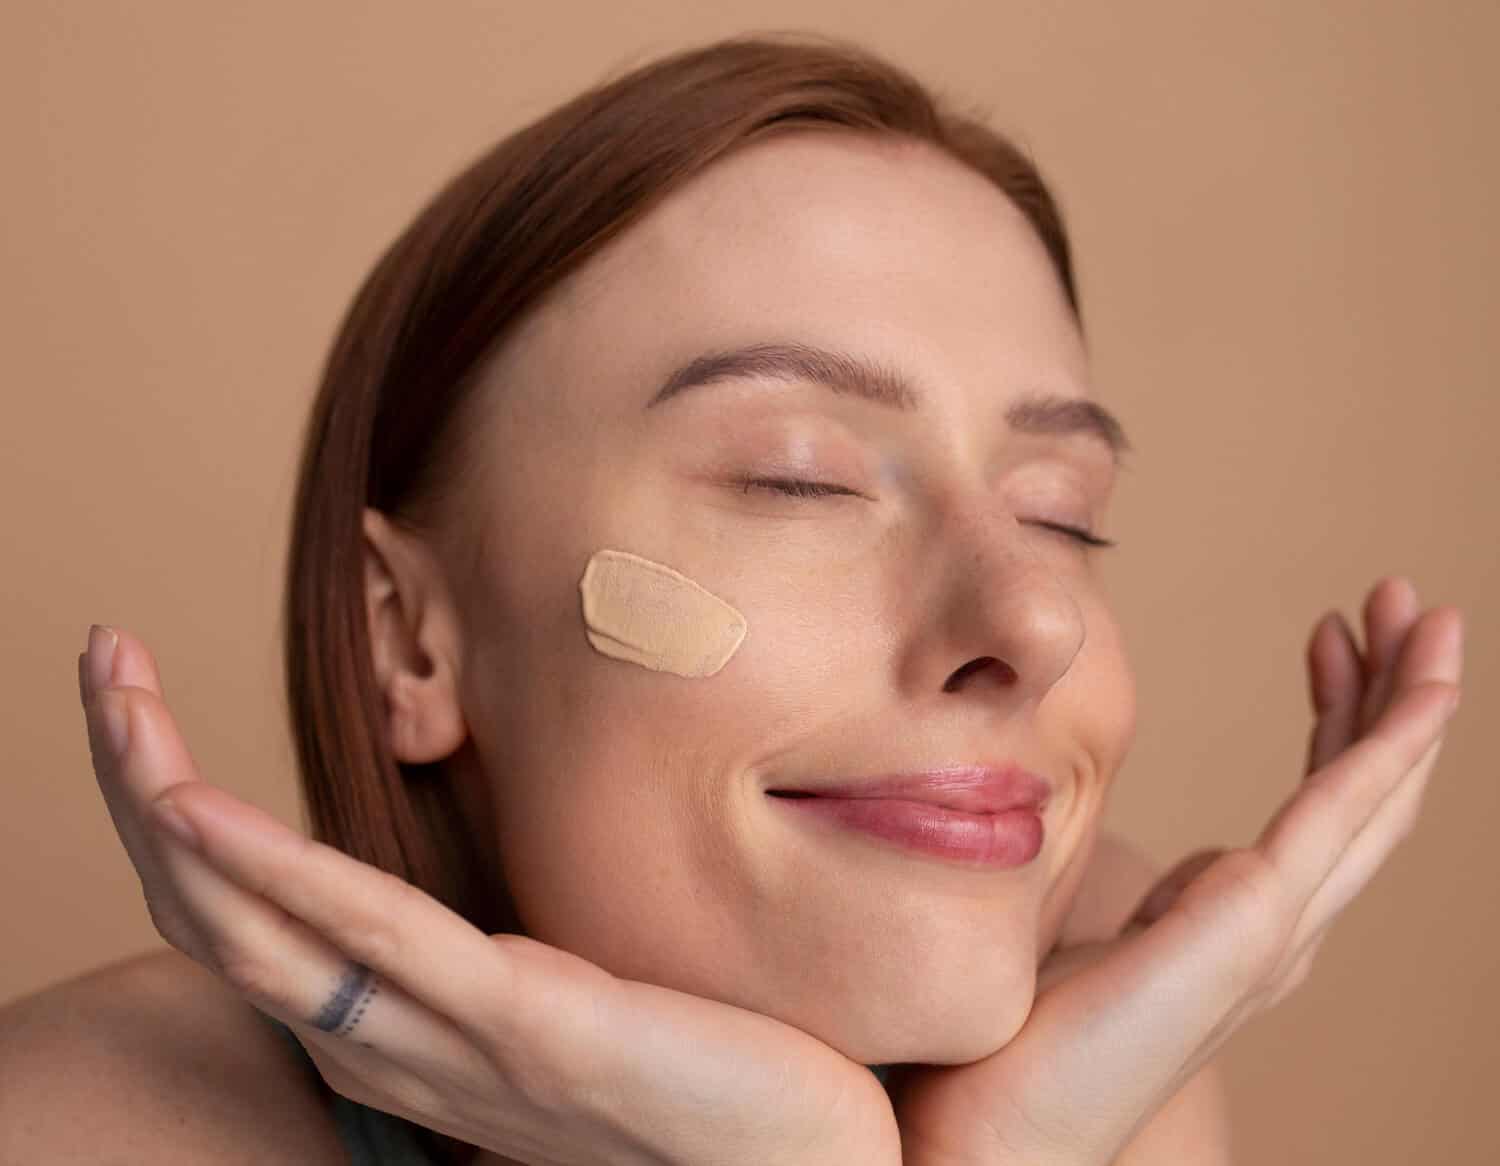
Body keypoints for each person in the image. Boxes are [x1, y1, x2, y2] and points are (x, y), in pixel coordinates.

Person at [6, 29, 1464, 1166]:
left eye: (1060, 513)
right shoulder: (92, 1117)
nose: (1034, 621)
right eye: (797, 479)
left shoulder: (1116, 1046)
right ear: (409, 639)